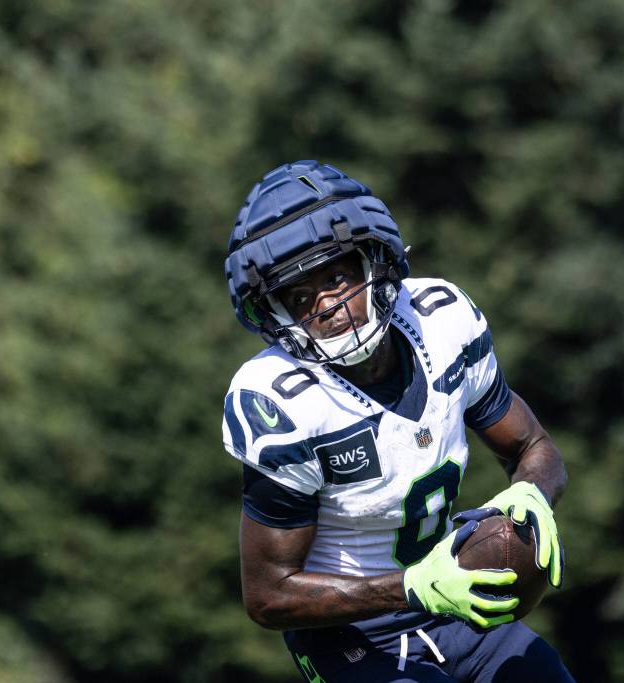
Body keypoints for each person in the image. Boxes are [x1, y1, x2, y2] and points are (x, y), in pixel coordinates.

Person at [222, 161, 575, 682]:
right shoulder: (283, 404)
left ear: (375, 259)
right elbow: (269, 597)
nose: (328, 305)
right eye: (300, 297)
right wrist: (409, 586)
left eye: (336, 276)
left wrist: (532, 493)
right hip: (346, 637)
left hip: (452, 601)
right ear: (276, 314)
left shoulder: (443, 321)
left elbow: (533, 448)